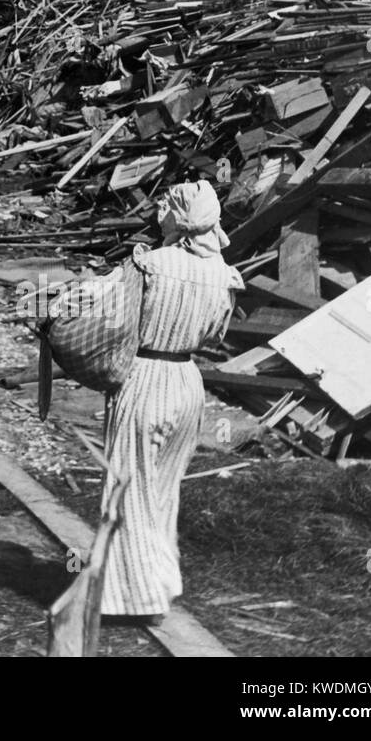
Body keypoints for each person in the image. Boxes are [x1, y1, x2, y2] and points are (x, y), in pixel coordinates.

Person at [99, 179, 243, 619]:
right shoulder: (225, 274)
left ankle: (131, 596)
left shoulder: (149, 265)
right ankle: (160, 580)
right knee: (163, 490)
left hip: (146, 376)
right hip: (187, 381)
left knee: (127, 485)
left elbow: (110, 316)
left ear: (176, 216)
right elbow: (217, 334)